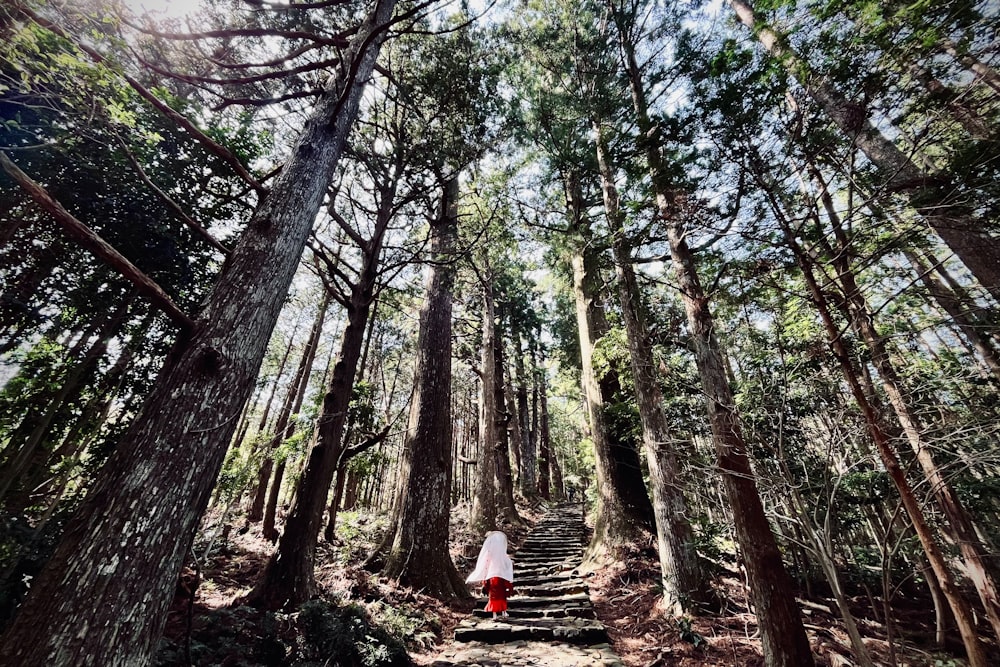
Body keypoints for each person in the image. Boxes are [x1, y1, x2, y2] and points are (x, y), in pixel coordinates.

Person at [466, 531, 515, 619]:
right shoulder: (503, 556)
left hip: (491, 577)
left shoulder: (489, 556)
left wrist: (485, 579)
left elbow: (486, 565)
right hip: (501, 577)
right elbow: (508, 565)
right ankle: (503, 612)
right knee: (502, 596)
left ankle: (495, 614)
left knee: (493, 596)